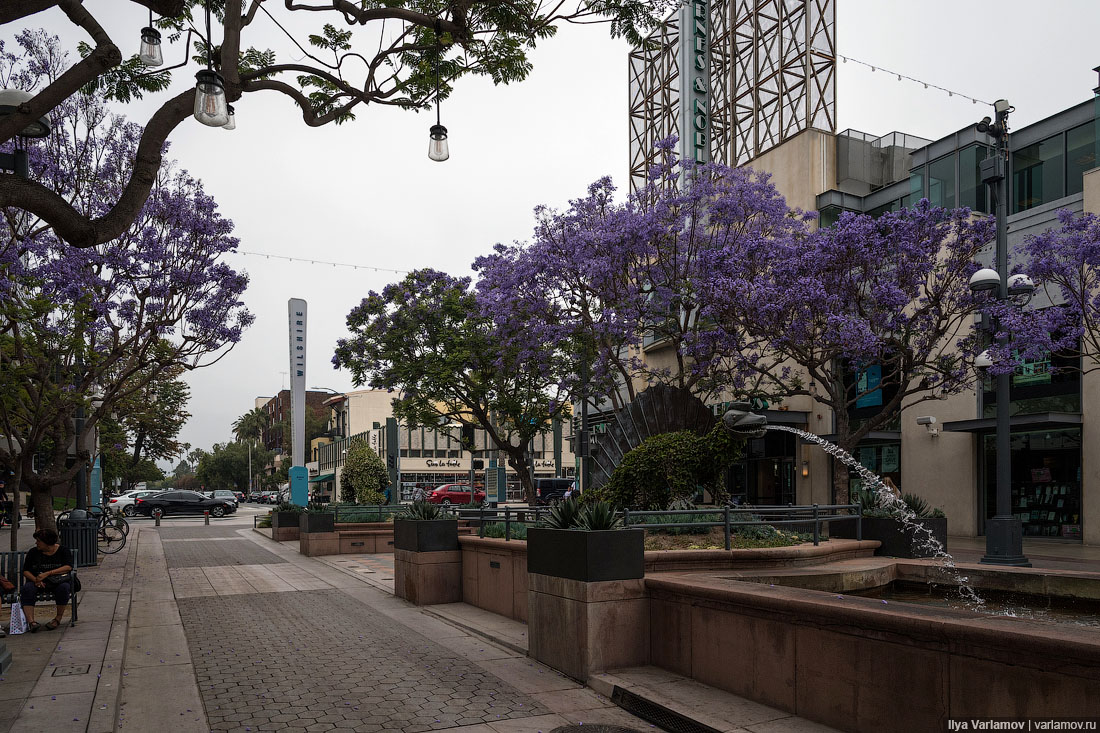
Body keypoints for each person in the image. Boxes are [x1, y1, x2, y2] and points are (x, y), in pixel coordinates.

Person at [20, 528, 74, 632]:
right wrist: (36, 580)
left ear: (47, 543)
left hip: (57, 581)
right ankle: (31, 622)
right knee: (27, 589)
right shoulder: (33, 552)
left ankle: (58, 618)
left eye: (39, 541)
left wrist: (48, 573)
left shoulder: (63, 551)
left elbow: (68, 567)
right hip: (37, 582)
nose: (36, 543)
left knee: (64, 588)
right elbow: (26, 571)